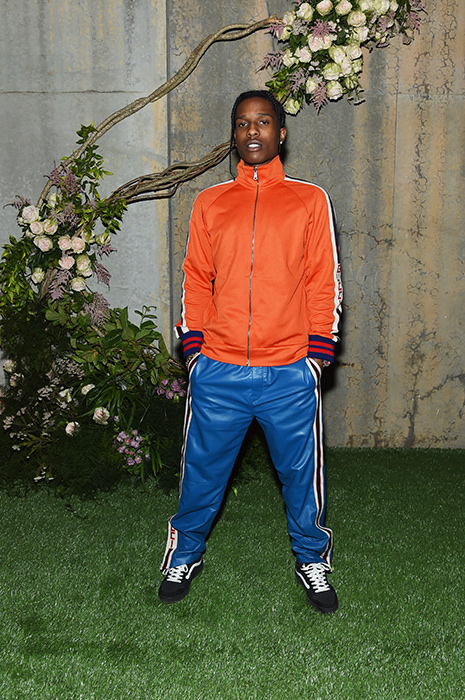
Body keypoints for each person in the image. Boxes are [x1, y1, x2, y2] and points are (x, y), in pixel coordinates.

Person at [158, 90, 343, 613]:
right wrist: (194, 349)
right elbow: (196, 277)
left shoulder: (310, 200)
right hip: (218, 370)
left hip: (289, 371)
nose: (253, 131)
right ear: (233, 135)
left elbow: (323, 279)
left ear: (281, 133)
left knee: (301, 480)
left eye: (263, 122)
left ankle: (312, 559)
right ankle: (183, 553)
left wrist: (317, 355)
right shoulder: (210, 202)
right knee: (201, 475)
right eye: (242, 123)